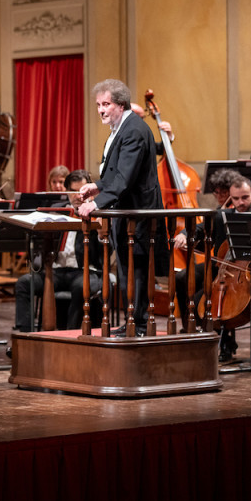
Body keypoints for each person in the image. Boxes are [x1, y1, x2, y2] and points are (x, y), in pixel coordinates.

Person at [79, 79, 165, 336]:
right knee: (128, 269)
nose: (101, 110)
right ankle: (131, 321)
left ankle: (137, 325)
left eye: (106, 104)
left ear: (121, 104)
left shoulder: (133, 130)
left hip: (137, 214)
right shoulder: (123, 127)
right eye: (98, 105)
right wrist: (98, 186)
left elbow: (126, 178)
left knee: (137, 270)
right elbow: (116, 172)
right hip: (126, 213)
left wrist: (95, 203)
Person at [174, 174, 251, 365]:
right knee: (193, 288)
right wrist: (183, 234)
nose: (241, 202)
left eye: (245, 197)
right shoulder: (222, 216)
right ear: (230, 197)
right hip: (226, 270)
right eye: (236, 198)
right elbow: (199, 228)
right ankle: (216, 340)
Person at [15, 169, 105, 331]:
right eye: (74, 191)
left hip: (84, 270)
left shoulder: (98, 213)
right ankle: (26, 335)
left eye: (82, 191)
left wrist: (100, 232)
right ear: (67, 192)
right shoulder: (55, 210)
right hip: (55, 270)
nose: (78, 196)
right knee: (24, 283)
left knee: (80, 286)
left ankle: (70, 335)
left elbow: (106, 251)